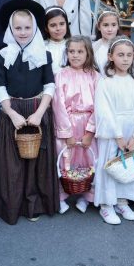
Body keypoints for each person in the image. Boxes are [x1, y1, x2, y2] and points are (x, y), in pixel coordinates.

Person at [0, 0, 58, 224]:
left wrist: (40, 112)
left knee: (36, 162)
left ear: (35, 28)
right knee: (13, 163)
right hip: (12, 111)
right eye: (18, 28)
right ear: (11, 29)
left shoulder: (44, 54)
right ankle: (12, 205)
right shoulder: (3, 55)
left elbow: (49, 85)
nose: (22, 32)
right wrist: (11, 113)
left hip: (36, 109)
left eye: (27, 27)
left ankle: (34, 204)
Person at [93, 36, 134, 225]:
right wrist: (117, 135)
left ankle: (122, 201)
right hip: (113, 131)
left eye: (129, 55)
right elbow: (104, 110)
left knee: (127, 165)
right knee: (110, 164)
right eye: (120, 55)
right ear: (110, 56)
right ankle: (107, 204)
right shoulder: (106, 82)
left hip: (131, 128)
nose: (125, 59)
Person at [52, 36, 100, 214]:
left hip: (88, 123)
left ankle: (87, 196)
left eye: (80, 51)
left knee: (90, 158)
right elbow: (58, 104)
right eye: (71, 51)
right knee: (65, 158)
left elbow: (99, 105)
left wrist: (90, 131)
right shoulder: (61, 75)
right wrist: (67, 133)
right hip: (69, 122)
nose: (75, 55)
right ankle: (61, 196)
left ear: (88, 53)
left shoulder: (95, 76)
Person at [42, 6, 70, 75]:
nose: (58, 28)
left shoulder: (73, 45)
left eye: (62, 24)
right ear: (46, 28)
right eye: (53, 25)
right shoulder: (42, 47)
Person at [92, 9, 121, 75]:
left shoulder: (123, 46)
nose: (110, 29)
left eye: (113, 25)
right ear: (99, 27)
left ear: (118, 26)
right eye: (105, 25)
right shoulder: (94, 47)